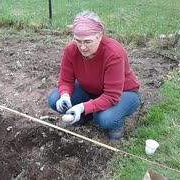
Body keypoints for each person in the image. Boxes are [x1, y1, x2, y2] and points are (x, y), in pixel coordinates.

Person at [48, 10, 141, 140]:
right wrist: (65, 95)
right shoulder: (71, 50)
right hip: (91, 90)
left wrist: (82, 106)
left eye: (88, 41)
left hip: (123, 93)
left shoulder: (113, 53)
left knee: (105, 118)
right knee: (54, 100)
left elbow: (112, 95)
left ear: (100, 36)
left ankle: (116, 123)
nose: (82, 47)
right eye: (78, 41)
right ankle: (86, 113)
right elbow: (65, 80)